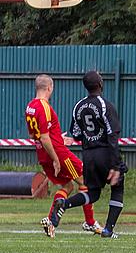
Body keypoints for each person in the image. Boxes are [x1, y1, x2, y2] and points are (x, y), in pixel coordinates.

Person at [49, 71, 126, 239]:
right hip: (106, 153)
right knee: (117, 188)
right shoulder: (105, 105)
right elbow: (112, 135)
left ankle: (65, 203)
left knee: (93, 193)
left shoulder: (79, 106)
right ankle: (108, 229)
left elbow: (76, 133)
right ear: (100, 84)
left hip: (89, 156)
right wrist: (115, 165)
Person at [26, 74, 102, 237]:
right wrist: (56, 158)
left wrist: (57, 137)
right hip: (58, 154)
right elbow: (45, 137)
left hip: (43, 154)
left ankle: (50, 222)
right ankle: (89, 223)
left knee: (68, 186)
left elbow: (34, 136)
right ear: (49, 88)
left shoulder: (30, 106)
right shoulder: (44, 107)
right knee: (86, 182)